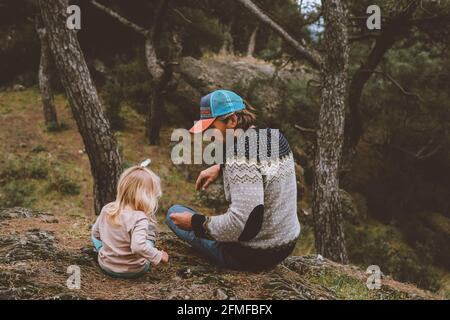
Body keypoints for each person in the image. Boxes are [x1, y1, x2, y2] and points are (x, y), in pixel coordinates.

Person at [166, 89, 301, 271]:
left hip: (253, 255)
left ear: (232, 120)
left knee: (173, 212)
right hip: (286, 243)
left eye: (212, 128)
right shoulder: (273, 136)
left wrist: (195, 223)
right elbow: (261, 168)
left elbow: (242, 226)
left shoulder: (238, 158)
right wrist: (220, 167)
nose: (208, 136)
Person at [91, 162, 169, 278]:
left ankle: (107, 253)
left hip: (106, 266)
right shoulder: (140, 217)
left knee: (95, 237)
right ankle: (148, 247)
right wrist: (158, 255)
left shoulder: (107, 209)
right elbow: (138, 247)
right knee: (148, 236)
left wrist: (111, 244)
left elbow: (96, 234)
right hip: (135, 269)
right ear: (146, 196)